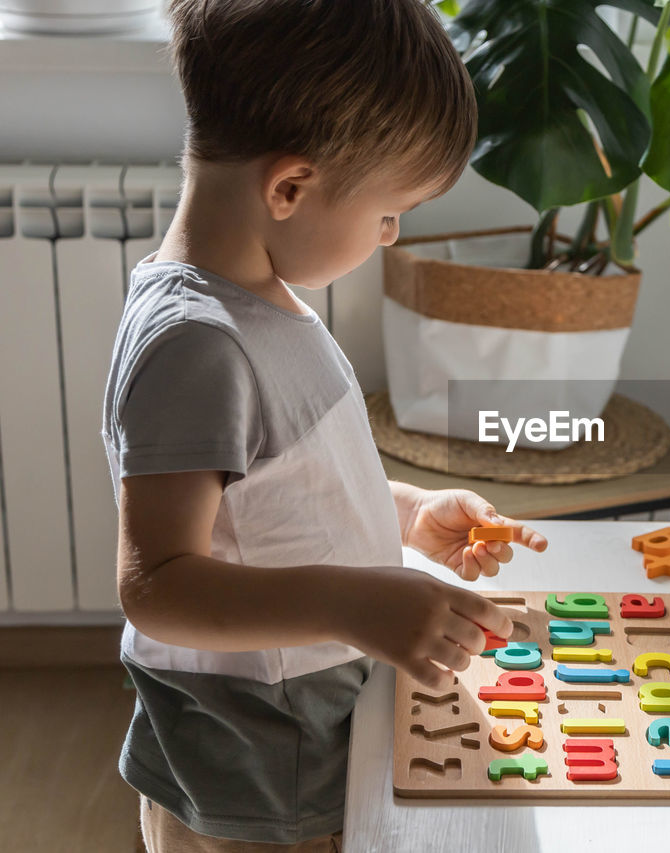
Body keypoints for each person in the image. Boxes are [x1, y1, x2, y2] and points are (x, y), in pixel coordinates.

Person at [100, 1, 547, 849]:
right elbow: (156, 585)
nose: (392, 232)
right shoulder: (193, 345)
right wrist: (352, 600)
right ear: (290, 188)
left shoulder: (260, 300)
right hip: (256, 771)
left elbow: (274, 498)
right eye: (389, 211)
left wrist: (405, 514)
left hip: (303, 734)